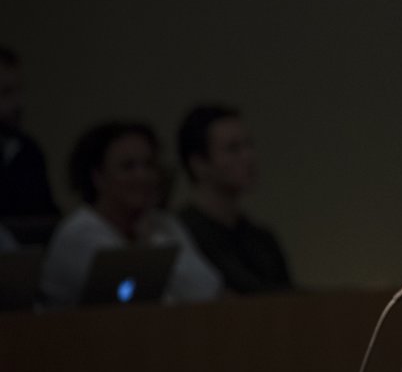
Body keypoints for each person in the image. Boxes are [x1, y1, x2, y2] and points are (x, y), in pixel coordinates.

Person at [40, 121, 223, 306]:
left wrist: (153, 238)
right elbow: (135, 302)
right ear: (98, 177)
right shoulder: (79, 235)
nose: (142, 176)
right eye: (128, 167)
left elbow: (207, 291)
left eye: (149, 165)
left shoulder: (163, 223)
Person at [175, 103, 292, 293]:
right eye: (233, 149)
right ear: (199, 163)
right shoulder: (182, 235)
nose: (248, 156)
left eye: (249, 145)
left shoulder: (260, 238)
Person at [0, 45, 60, 242]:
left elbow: (45, 216)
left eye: (19, 91)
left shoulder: (27, 150)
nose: (18, 103)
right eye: (5, 92)